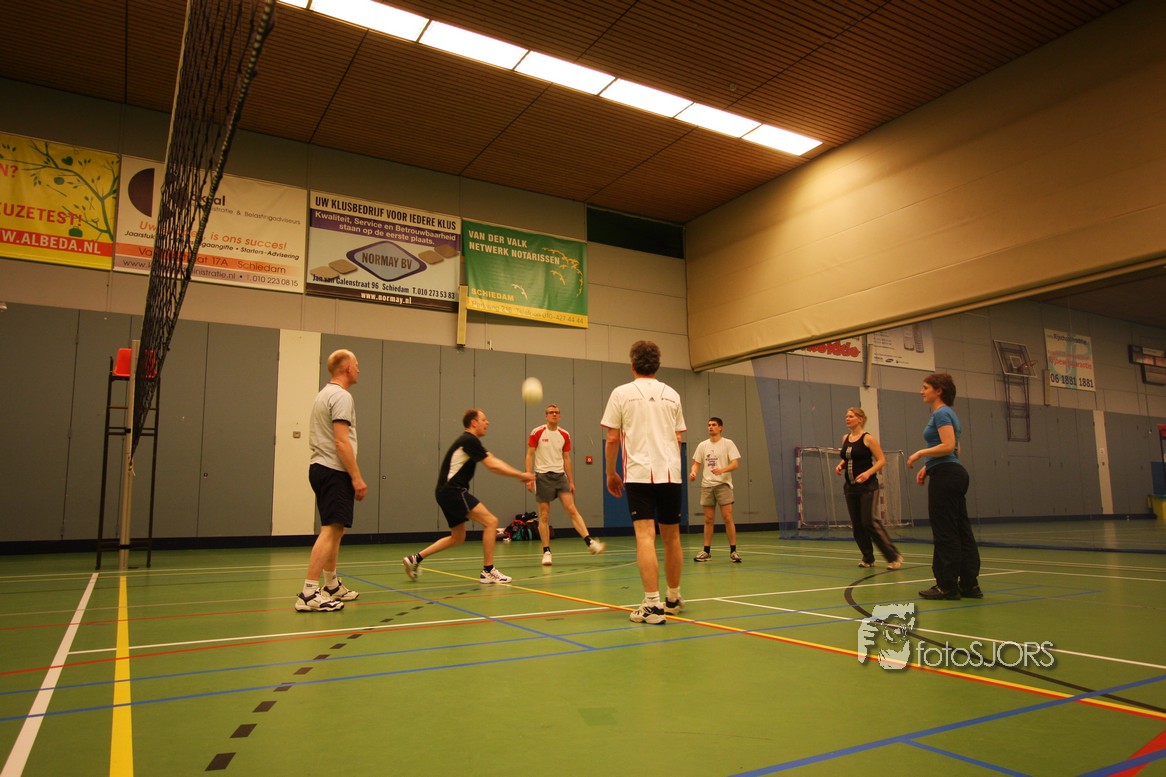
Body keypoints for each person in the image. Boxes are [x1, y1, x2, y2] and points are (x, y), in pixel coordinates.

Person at [601, 340, 687, 624]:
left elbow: (612, 438)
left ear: (632, 364)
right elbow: (678, 437)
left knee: (645, 536)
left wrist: (610, 473)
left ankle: (652, 605)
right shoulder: (672, 394)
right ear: (657, 365)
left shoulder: (621, 393)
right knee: (672, 537)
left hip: (639, 474)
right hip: (671, 474)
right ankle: (673, 597)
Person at [403, 409, 535, 584]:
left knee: (458, 537)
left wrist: (520, 474)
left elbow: (493, 459)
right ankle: (488, 570)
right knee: (491, 522)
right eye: (484, 419)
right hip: (453, 491)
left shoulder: (470, 442)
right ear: (474, 422)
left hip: (445, 492)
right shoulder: (469, 440)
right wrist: (521, 475)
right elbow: (492, 465)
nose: (487, 422)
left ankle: (415, 559)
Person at [295, 349, 367, 612]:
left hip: (321, 468)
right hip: (334, 470)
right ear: (347, 368)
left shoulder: (324, 394)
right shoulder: (341, 396)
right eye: (356, 365)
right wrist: (356, 477)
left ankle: (332, 585)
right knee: (331, 530)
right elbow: (341, 441)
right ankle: (308, 593)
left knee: (336, 528)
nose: (359, 369)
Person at [906, 373, 982, 600]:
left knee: (945, 532)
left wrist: (920, 454)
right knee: (961, 531)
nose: (921, 391)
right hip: (952, 473)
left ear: (938, 391)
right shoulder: (950, 414)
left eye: (925, 387)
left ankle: (947, 585)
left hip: (947, 477)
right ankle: (969, 585)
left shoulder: (941, 413)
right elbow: (956, 450)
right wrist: (928, 467)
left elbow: (948, 446)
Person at [525, 404, 606, 566]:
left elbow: (567, 458)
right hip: (542, 476)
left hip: (560, 476)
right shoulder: (537, 432)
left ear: (560, 416)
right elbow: (529, 455)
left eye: (556, 412)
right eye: (551, 412)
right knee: (544, 515)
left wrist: (571, 481)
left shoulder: (564, 434)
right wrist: (529, 476)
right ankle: (546, 552)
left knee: (572, 510)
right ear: (546, 416)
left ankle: (590, 543)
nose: (554, 414)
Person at [834, 407, 903, 570]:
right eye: (846, 416)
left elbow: (881, 460)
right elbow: (849, 457)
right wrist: (841, 464)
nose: (847, 418)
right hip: (850, 487)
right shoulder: (845, 438)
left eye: (851, 416)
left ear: (860, 419)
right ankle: (868, 557)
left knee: (868, 521)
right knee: (857, 525)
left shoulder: (868, 439)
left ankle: (893, 556)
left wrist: (867, 473)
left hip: (868, 487)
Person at [689, 417, 742, 562]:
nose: (710, 427)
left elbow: (735, 464)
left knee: (727, 518)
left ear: (720, 427)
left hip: (723, 485)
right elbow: (696, 463)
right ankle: (706, 552)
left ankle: (733, 551)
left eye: (713, 425)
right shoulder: (702, 445)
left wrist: (722, 470)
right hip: (707, 486)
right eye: (709, 425)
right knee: (708, 519)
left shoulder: (728, 443)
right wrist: (693, 472)